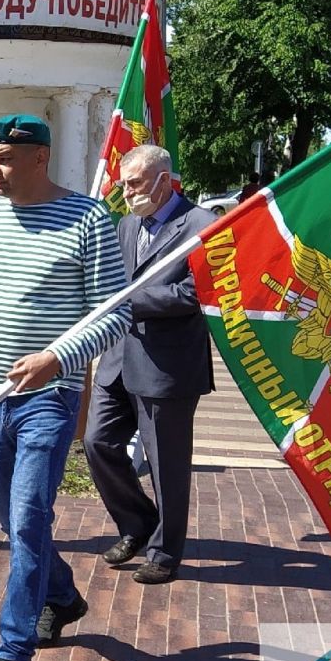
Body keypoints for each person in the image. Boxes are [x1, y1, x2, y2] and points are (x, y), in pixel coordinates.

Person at [0, 114, 129, 661]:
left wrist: (56, 357)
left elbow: (113, 314)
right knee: (6, 512)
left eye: (6, 160)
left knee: (26, 518)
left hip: (49, 397)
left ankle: (13, 655)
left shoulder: (89, 220)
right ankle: (63, 597)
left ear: (40, 158)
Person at [84, 145, 216, 585]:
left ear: (164, 180)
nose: (127, 192)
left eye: (135, 183)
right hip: (118, 359)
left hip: (167, 367)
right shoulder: (126, 224)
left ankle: (164, 551)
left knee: (166, 465)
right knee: (98, 443)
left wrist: (129, 301)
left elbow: (199, 295)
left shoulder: (201, 225)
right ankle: (138, 524)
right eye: (123, 183)